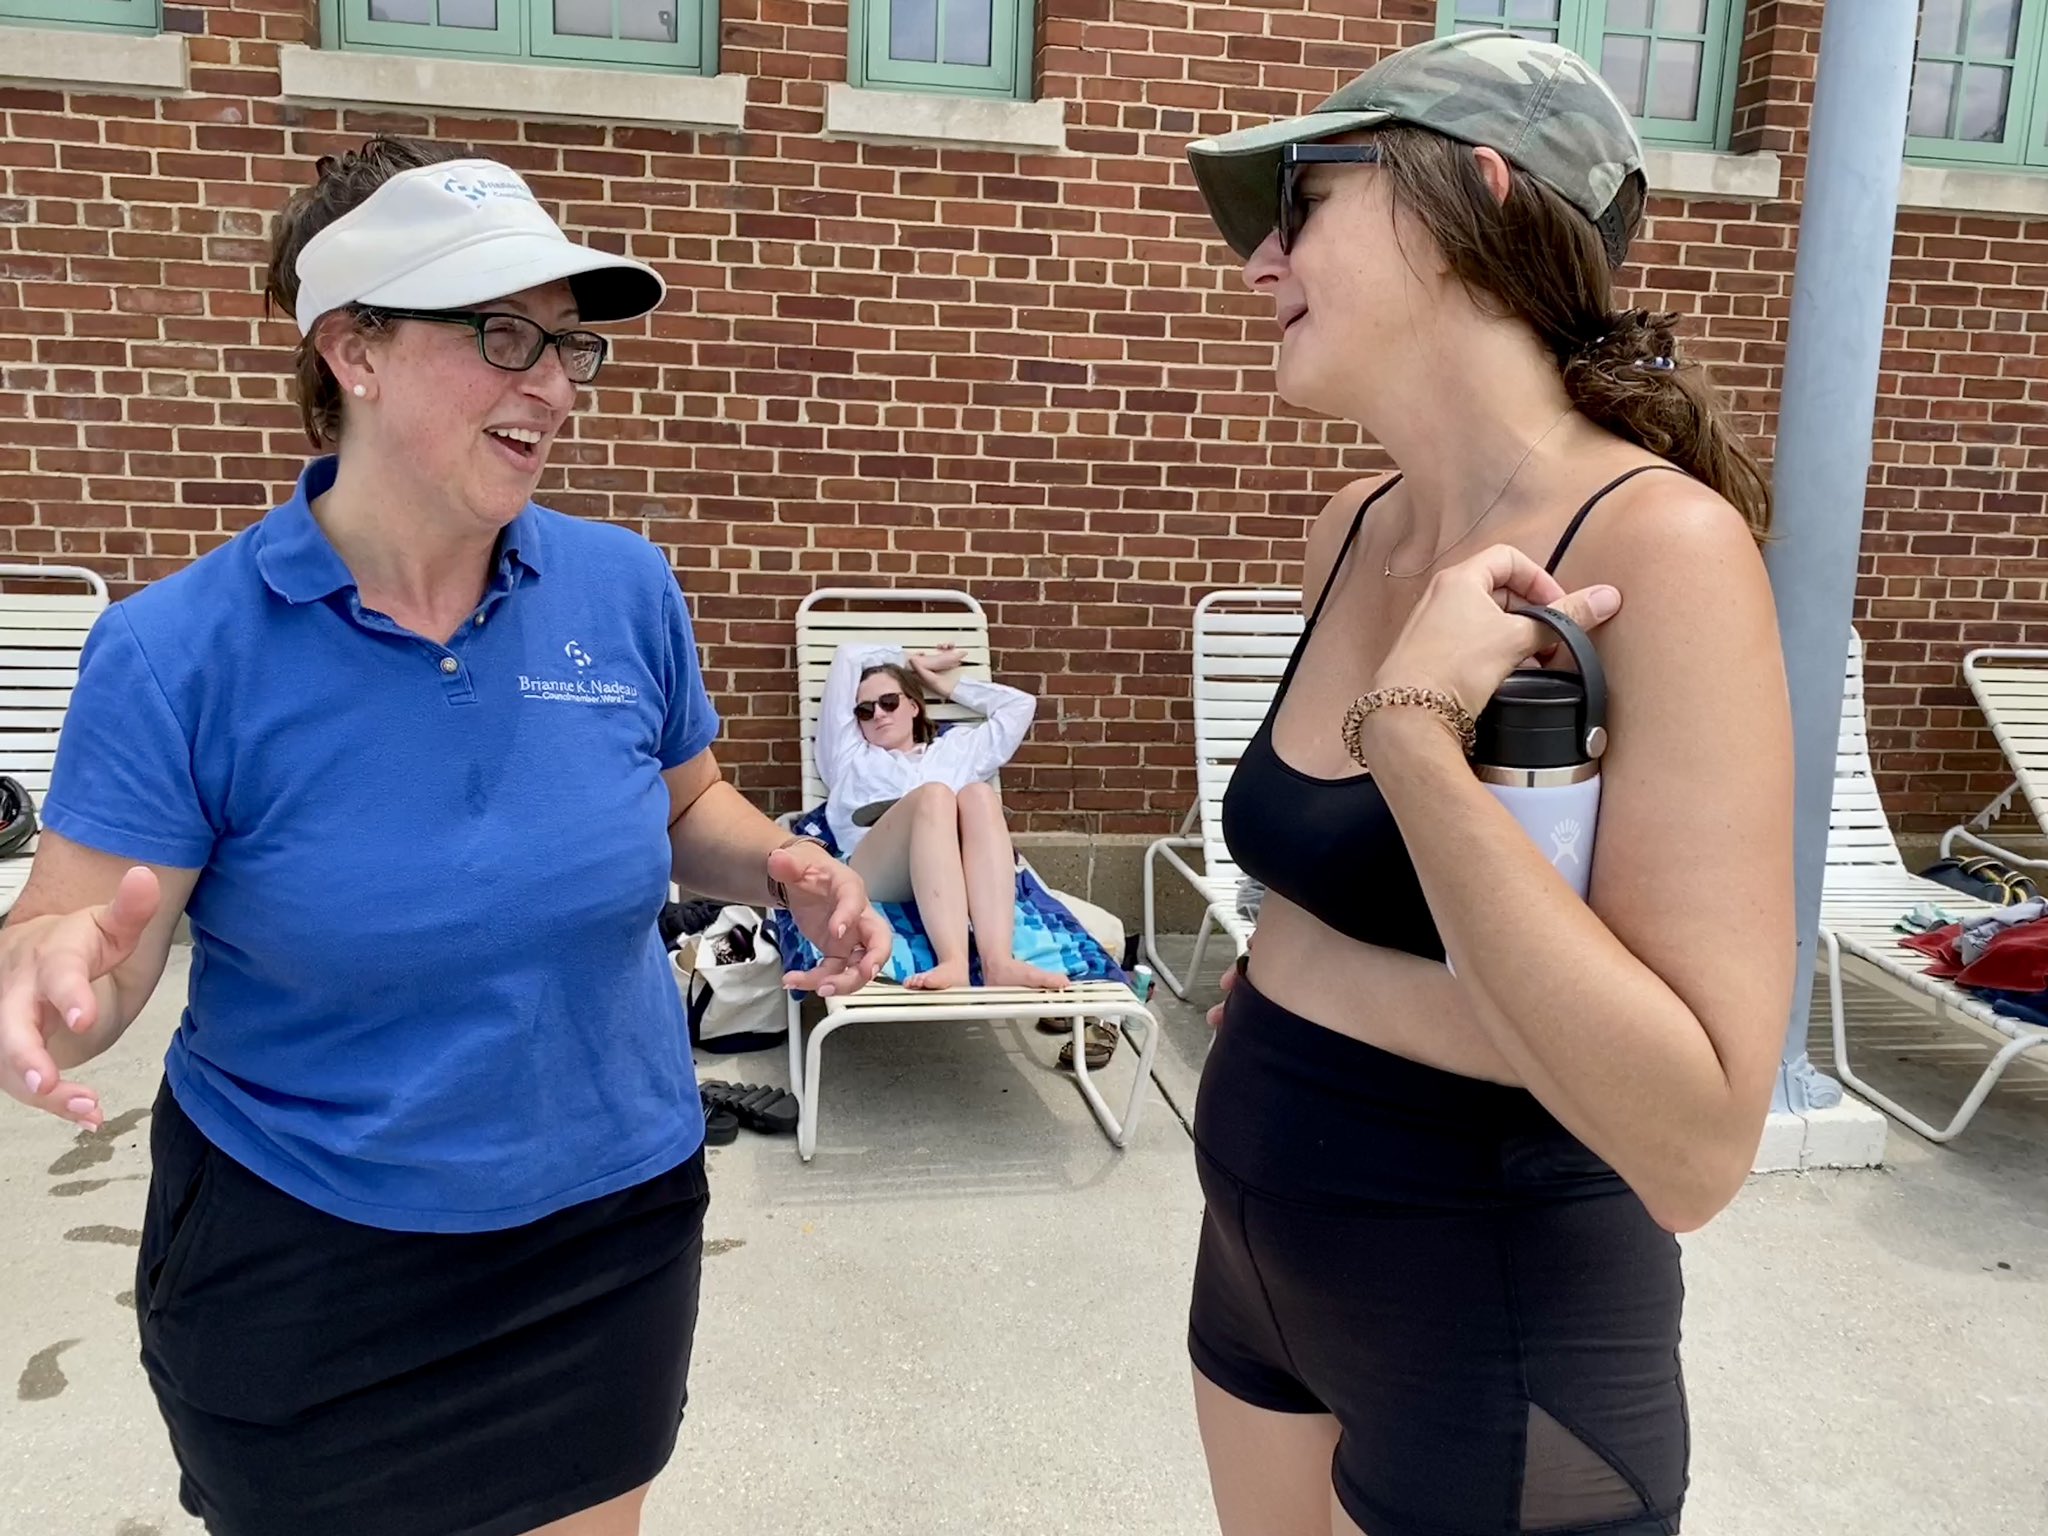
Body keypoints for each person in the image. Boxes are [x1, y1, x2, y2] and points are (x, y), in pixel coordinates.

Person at [0, 136, 891, 1536]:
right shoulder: (176, 651)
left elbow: (681, 806)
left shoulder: (622, 584)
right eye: (502, 335)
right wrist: (54, 971)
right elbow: (85, 940)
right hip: (307, 1268)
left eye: (567, 348)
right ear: (352, 347)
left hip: (604, 1237)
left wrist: (783, 861)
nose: (552, 385)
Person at [1179, 30, 1794, 1536]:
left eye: (1303, 203)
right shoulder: (1355, 525)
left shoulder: (1661, 550)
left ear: (1475, 194)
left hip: (1490, 1309)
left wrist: (1411, 739)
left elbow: (1700, 1143)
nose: (1260, 263)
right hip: (1260, 1257)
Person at [817, 640, 1069, 991]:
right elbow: (848, 655)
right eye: (864, 710)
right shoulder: (848, 754)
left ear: (914, 706)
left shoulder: (956, 749)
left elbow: (1019, 706)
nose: (878, 714)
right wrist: (923, 658)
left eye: (889, 702)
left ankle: (998, 963)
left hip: (950, 868)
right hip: (875, 867)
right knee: (935, 796)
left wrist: (940, 681)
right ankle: (954, 962)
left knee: (979, 794)